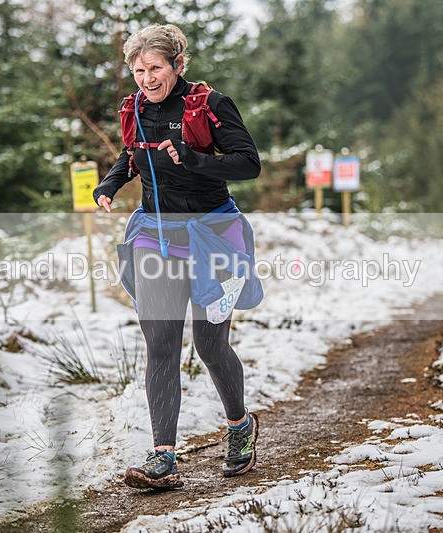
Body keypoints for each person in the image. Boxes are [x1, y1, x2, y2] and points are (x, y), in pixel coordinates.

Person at [93, 23, 263, 490]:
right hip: (156, 236)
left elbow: (249, 163)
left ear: (178, 65)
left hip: (213, 236)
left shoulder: (209, 105)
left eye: (156, 69)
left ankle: (239, 427)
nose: (147, 79)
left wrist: (194, 159)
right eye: (139, 71)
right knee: (161, 344)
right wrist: (110, 184)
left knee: (210, 345)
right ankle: (163, 457)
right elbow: (132, 155)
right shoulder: (135, 108)